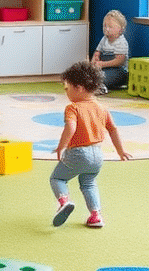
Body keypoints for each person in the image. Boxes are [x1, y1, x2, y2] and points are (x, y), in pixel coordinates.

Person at [51, 60, 131, 229]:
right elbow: (113, 130)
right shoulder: (102, 108)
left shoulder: (73, 107)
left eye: (67, 88)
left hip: (78, 153)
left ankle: (64, 201)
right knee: (88, 183)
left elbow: (71, 127)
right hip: (97, 156)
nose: (67, 93)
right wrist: (120, 151)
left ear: (78, 88)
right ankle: (96, 216)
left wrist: (61, 146)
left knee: (57, 178)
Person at [91, 10, 129, 91]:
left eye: (110, 27)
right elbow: (98, 51)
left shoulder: (121, 42)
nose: (106, 29)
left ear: (120, 30)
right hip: (104, 67)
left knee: (103, 76)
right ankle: (89, 84)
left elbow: (120, 61)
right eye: (104, 26)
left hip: (118, 70)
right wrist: (94, 59)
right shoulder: (104, 39)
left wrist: (103, 64)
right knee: (90, 73)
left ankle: (101, 87)